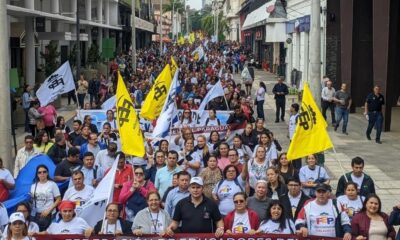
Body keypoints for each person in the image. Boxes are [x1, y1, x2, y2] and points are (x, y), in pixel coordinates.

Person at [30, 164, 61, 231]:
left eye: (44, 171)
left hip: (49, 214)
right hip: (36, 214)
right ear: (37, 174)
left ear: (47, 173)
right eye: (39, 172)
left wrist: (49, 210)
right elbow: (33, 200)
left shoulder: (52, 184)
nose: (42, 174)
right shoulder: (33, 186)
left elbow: (58, 199)